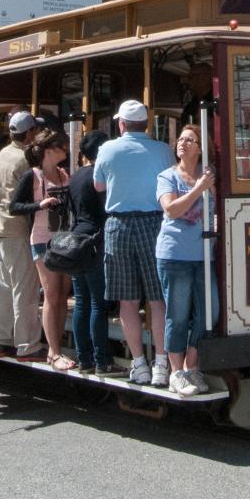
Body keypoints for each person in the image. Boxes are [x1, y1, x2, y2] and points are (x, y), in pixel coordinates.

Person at [94, 100, 175, 385]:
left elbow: (99, 186)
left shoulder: (107, 149)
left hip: (119, 224)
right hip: (154, 223)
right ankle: (162, 364)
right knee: (157, 298)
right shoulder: (163, 150)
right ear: (147, 124)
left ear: (121, 124)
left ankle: (139, 364)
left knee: (127, 301)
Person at [156, 125, 217, 396]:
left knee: (209, 312)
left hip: (203, 255)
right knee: (178, 315)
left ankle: (192, 366)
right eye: (180, 139)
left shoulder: (210, 176)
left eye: (189, 140)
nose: (182, 143)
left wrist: (209, 187)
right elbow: (171, 210)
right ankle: (176, 372)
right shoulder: (167, 176)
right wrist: (199, 189)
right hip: (175, 254)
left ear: (201, 147)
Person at [9, 128, 76, 371]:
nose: (65, 151)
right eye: (61, 147)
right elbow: (14, 206)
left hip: (64, 238)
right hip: (42, 239)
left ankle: (55, 349)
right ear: (48, 151)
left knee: (62, 295)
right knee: (51, 294)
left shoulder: (63, 174)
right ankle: (53, 351)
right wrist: (41, 204)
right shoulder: (33, 176)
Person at [68, 130, 128, 377]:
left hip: (75, 240)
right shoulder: (100, 176)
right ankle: (102, 361)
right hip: (95, 241)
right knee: (97, 303)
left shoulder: (75, 176)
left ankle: (84, 360)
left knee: (82, 302)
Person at [0, 109, 43, 358]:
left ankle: (4, 340)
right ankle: (27, 345)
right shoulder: (23, 159)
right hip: (17, 229)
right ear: (29, 132)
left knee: (6, 287)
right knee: (25, 290)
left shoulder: (3, 154)